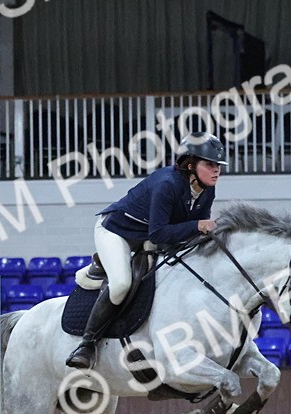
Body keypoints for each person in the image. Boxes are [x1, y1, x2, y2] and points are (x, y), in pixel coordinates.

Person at [66, 132, 228, 369]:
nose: (216, 170)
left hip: (146, 235)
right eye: (210, 164)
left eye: (218, 165)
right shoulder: (167, 185)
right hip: (116, 231)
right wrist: (196, 225)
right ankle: (87, 344)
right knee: (121, 283)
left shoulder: (207, 190)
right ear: (190, 164)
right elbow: (159, 234)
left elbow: (192, 234)